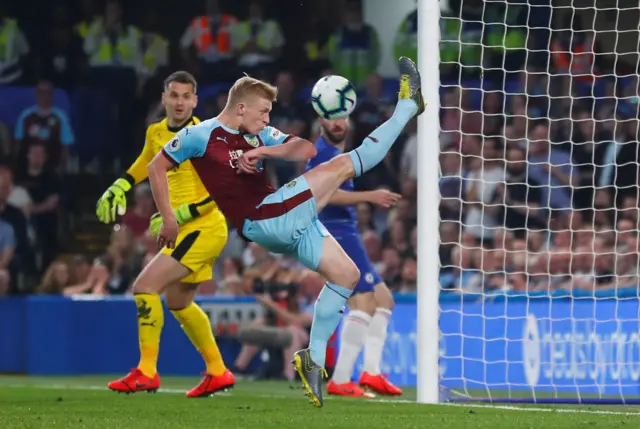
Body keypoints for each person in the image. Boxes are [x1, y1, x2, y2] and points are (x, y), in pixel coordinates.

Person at [147, 57, 424, 407]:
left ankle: (313, 360)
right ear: (242, 107)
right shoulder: (199, 135)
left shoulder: (259, 133)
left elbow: (304, 148)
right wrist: (168, 217)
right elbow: (157, 168)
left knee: (346, 275)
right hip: (263, 217)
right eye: (263, 112)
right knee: (341, 165)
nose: (267, 119)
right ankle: (408, 106)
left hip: (282, 215)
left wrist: (265, 148)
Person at [95, 71, 233, 397]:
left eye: (187, 96)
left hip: (204, 227)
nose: (180, 102)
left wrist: (179, 214)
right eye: (175, 95)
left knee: (144, 287)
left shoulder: (208, 136)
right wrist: (123, 183)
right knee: (179, 301)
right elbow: (148, 161)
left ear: (195, 101)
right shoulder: (156, 132)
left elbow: (223, 189)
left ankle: (146, 371)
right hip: (185, 229)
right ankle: (218, 371)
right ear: (164, 99)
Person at [307, 117, 403, 397]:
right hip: (337, 231)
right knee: (363, 300)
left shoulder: (338, 154)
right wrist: (370, 196)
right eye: (330, 117)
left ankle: (371, 373)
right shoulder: (322, 153)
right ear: (320, 119)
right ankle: (341, 378)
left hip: (347, 231)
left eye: (342, 116)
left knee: (384, 300)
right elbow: (323, 194)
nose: (338, 123)